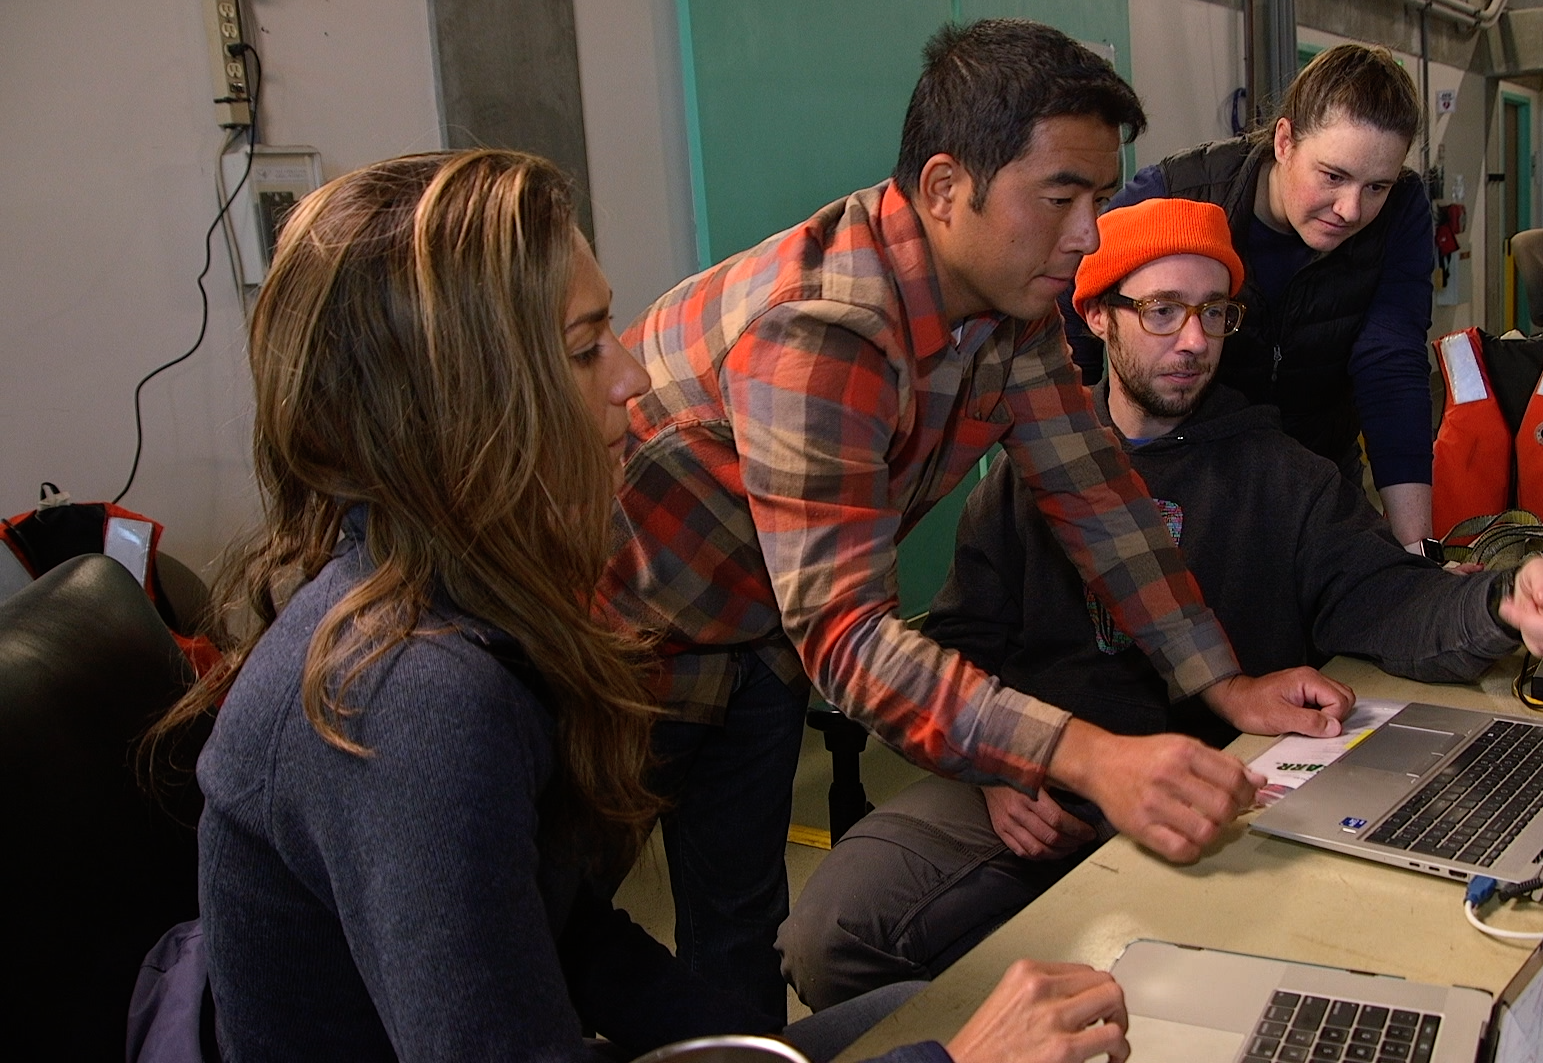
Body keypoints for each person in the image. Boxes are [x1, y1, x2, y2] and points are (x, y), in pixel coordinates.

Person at [146, 149, 1138, 1063]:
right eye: (588, 349)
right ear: (467, 403)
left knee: (911, 1008)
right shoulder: (413, 697)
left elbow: (566, 931)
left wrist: (762, 1052)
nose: (633, 376)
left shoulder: (458, 607)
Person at [604, 19, 1349, 1021]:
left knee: (735, 941)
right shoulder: (823, 327)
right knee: (549, 929)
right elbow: (847, 637)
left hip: (754, 634)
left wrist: (1225, 684)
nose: (1088, 235)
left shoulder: (1013, 313)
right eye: (1061, 197)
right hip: (614, 651)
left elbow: (1098, 498)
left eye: (1099, 199)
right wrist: (1090, 756)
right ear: (947, 187)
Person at [779, 197, 1543, 1010]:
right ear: (1097, 316)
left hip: (1207, 789)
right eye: (1163, 311)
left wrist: (1505, 601)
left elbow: (1388, 599)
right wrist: (997, 768)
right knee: (831, 935)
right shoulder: (1025, 474)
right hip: (1034, 780)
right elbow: (962, 640)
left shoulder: (1283, 476)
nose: (1194, 341)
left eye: (1215, 313)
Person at [1064, 43, 1438, 548]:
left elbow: (1390, 364)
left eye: (1377, 187)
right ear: (1284, 141)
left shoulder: (1401, 211)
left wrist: (1417, 549)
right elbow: (1073, 321)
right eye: (1333, 176)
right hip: (1191, 481)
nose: (1351, 209)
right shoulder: (1180, 193)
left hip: (1321, 480)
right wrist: (1076, 480)